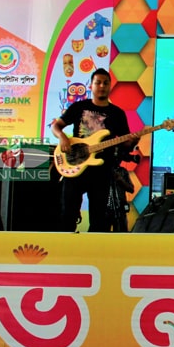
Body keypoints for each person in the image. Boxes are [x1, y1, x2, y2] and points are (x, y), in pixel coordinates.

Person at [51, 68, 132, 232]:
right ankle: (65, 245)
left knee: (99, 219)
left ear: (110, 86)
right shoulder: (78, 107)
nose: (102, 86)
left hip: (101, 171)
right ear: (91, 86)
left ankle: (93, 247)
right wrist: (63, 137)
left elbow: (126, 144)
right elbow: (56, 126)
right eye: (98, 82)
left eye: (105, 83)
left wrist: (134, 140)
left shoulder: (117, 113)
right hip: (74, 165)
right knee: (67, 214)